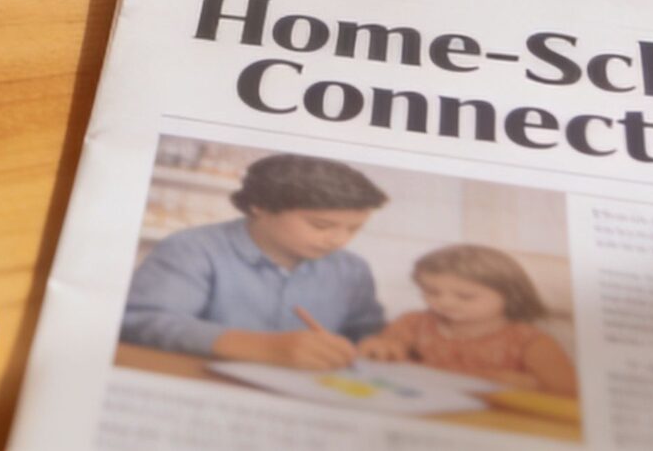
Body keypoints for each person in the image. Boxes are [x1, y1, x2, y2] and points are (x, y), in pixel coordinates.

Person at [122, 153, 390, 364]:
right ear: (259, 206)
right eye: (321, 225)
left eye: (354, 229)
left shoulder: (352, 269)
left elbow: (368, 331)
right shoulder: (193, 248)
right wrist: (260, 347)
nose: (339, 240)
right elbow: (144, 320)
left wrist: (381, 344)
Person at [358, 243, 580, 396]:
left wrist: (530, 385)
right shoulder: (414, 322)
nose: (445, 303)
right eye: (431, 292)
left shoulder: (529, 341)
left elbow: (567, 392)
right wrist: (379, 348)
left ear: (511, 294)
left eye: (465, 296)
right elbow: (383, 349)